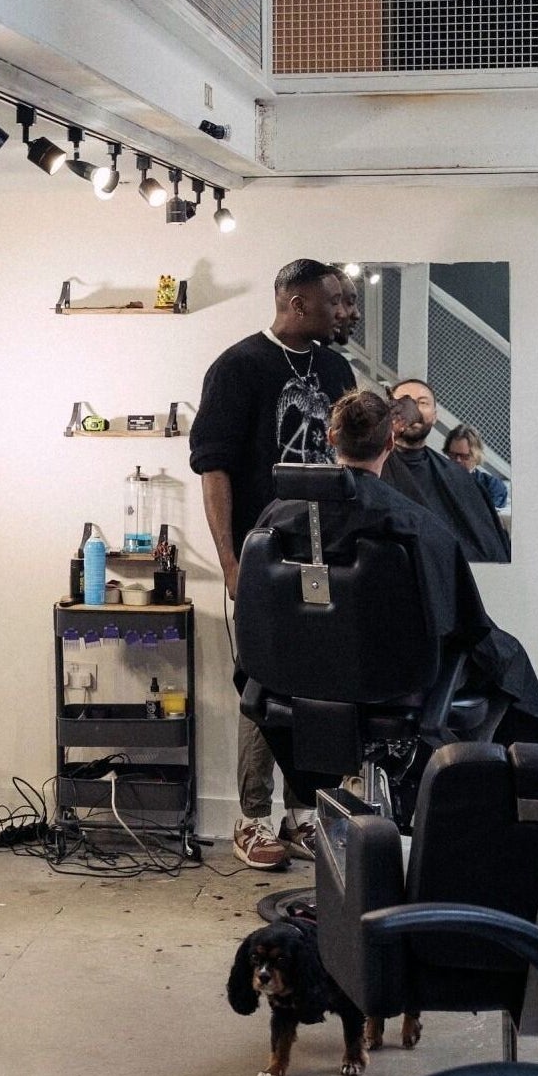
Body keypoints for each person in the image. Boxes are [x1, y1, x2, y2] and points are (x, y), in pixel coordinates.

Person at [250, 392, 538, 808]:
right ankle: (449, 794)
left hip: (299, 679)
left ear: (330, 436)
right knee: (505, 662)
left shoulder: (277, 516)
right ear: (390, 443)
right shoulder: (412, 524)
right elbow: (461, 621)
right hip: (391, 682)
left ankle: (363, 783)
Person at [189, 258, 356, 869]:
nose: (342, 311)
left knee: (316, 687)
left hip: (328, 558)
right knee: (260, 687)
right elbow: (215, 471)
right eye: (331, 301)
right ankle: (251, 818)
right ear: (294, 302)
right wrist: (232, 562)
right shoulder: (238, 368)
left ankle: (304, 814)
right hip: (264, 558)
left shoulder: (335, 368)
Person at [382, 378, 510, 563]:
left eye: (422, 403)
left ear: (435, 416)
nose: (413, 408)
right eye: (404, 401)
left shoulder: (459, 477)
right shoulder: (371, 468)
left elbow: (489, 548)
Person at [444, 424, 509, 511]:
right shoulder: (437, 480)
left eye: (464, 456)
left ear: (476, 456)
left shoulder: (492, 486)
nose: (457, 460)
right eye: (452, 455)